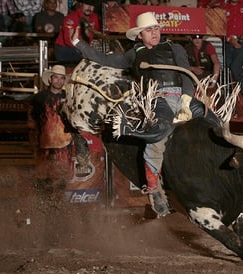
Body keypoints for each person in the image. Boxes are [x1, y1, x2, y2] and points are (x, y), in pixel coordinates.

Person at [70, 12, 219, 216]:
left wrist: (186, 98)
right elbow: (104, 59)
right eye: (149, 30)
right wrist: (78, 42)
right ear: (140, 35)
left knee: (213, 120)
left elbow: (185, 73)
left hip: (181, 97)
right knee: (157, 138)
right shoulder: (133, 54)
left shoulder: (175, 48)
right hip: (156, 100)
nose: (154, 32)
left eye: (156, 28)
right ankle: (154, 189)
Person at [28, 65, 73, 192]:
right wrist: (32, 141)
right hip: (44, 145)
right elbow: (31, 121)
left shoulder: (69, 98)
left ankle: (57, 207)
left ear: (64, 80)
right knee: (42, 178)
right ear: (50, 79)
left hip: (65, 144)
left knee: (61, 179)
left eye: (61, 78)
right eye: (56, 78)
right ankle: (43, 207)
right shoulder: (38, 99)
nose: (58, 81)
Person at [54, 0, 100, 66]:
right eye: (87, 4)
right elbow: (69, 41)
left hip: (83, 49)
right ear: (81, 4)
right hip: (65, 49)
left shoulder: (94, 17)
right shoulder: (71, 17)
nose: (89, 8)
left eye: (92, 5)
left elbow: (96, 34)